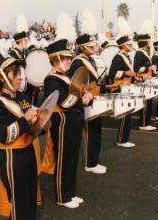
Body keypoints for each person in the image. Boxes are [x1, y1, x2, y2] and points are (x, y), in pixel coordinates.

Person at [42, 39, 93, 208]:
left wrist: (87, 97)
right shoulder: (51, 79)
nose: (70, 61)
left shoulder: (65, 77)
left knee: (72, 158)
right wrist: (83, 101)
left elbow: (75, 96)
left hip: (73, 121)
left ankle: (70, 193)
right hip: (62, 122)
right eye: (66, 58)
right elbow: (65, 101)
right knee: (63, 159)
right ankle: (62, 196)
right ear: (56, 59)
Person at [0, 53, 38, 219]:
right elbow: (3, 135)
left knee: (30, 197)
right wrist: (26, 119)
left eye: (19, 73)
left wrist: (43, 122)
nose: (19, 77)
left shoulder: (22, 97)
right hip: (11, 156)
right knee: (19, 202)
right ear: (3, 78)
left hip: (28, 151)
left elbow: (32, 126)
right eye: (15, 73)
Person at [69, 34, 110, 174]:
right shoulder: (77, 62)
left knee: (96, 130)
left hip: (93, 97)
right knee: (91, 131)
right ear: (82, 47)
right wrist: (88, 91)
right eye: (90, 46)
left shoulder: (89, 59)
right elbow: (76, 85)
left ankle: (94, 161)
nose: (93, 47)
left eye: (94, 45)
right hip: (85, 101)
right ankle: (90, 164)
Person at [108, 35, 139, 148]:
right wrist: (125, 73)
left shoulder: (127, 57)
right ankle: (121, 140)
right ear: (123, 45)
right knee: (124, 115)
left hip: (127, 87)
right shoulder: (118, 57)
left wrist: (135, 77)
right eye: (129, 44)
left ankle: (125, 139)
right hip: (121, 88)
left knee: (128, 114)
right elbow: (112, 74)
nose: (131, 46)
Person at [134, 34, 157, 131]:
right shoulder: (139, 53)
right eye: (149, 41)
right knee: (145, 103)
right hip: (143, 81)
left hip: (147, 81)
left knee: (149, 103)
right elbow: (137, 68)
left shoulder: (144, 52)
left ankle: (146, 123)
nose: (150, 44)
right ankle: (143, 124)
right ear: (145, 42)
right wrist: (149, 68)